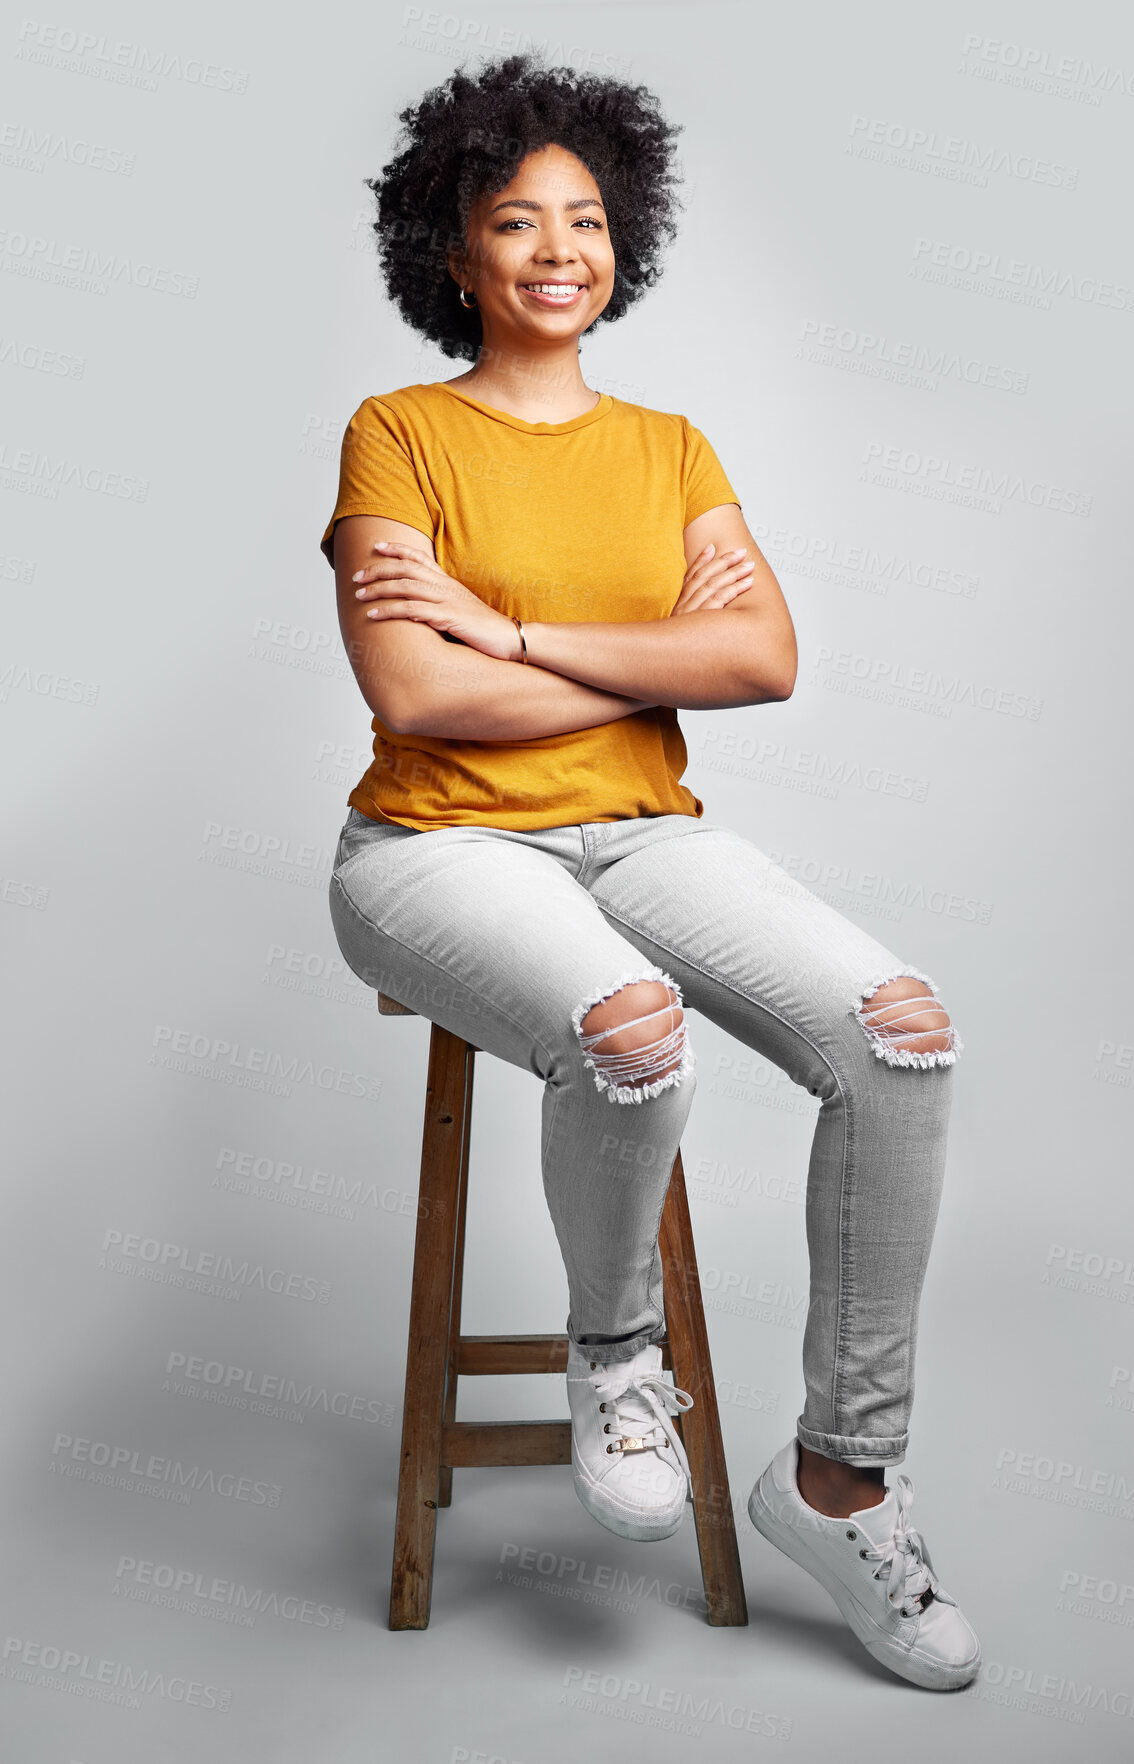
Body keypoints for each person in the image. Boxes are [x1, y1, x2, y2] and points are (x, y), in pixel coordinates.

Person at [320, 53, 980, 1692]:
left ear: (627, 241)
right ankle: (615, 1356)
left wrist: (517, 631)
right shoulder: (396, 435)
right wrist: (651, 658)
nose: (559, 246)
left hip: (637, 835)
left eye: (588, 218)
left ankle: (839, 1477)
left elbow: (762, 657)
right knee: (626, 1027)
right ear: (453, 253)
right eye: (514, 219)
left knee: (899, 1031)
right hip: (432, 845)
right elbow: (414, 696)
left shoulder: (670, 445)